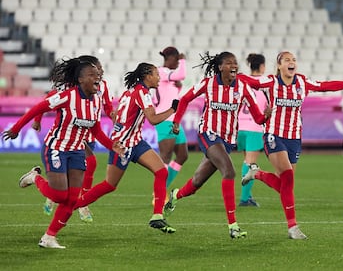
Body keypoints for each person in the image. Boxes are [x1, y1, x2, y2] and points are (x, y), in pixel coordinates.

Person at [239, 51, 343, 239]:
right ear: (279, 66)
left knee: (286, 185)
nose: (291, 63)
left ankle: (256, 173)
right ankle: (292, 227)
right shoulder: (270, 82)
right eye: (287, 60)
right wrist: (229, 73)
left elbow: (327, 86)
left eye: (294, 60)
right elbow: (248, 80)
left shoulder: (301, 82)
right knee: (288, 177)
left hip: (294, 138)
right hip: (273, 134)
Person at [2, 57, 125, 249]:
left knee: (72, 199)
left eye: (98, 75)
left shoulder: (96, 100)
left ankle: (49, 237)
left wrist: (112, 146)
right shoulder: (67, 96)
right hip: (56, 148)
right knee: (60, 196)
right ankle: (35, 178)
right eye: (92, 74)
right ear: (81, 79)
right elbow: (38, 107)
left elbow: (96, 131)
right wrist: (17, 128)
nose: (97, 78)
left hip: (77, 151)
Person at [163, 51, 269, 239]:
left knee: (197, 182)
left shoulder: (243, 87)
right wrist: (177, 121)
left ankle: (175, 195)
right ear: (220, 67)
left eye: (235, 63)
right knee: (229, 171)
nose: (233, 65)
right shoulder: (209, 83)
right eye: (229, 63)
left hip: (227, 141)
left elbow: (258, 117)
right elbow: (186, 98)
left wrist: (267, 115)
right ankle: (233, 225)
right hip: (208, 134)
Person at [74, 62, 179, 234]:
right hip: (122, 145)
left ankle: (157, 216)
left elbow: (119, 115)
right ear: (147, 76)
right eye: (156, 74)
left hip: (136, 142)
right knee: (109, 185)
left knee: (161, 172)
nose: (158, 77)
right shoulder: (142, 93)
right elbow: (152, 119)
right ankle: (73, 206)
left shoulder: (131, 91)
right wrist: (173, 109)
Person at [33, 55, 116, 222]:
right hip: (75, 132)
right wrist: (37, 120)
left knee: (77, 171)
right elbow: (48, 99)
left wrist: (114, 115)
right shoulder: (73, 87)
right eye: (97, 68)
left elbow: (107, 106)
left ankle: (55, 194)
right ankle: (82, 203)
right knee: (91, 163)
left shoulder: (103, 86)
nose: (101, 71)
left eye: (100, 68)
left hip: (91, 129)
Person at [149, 47, 188, 203]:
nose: (178, 63)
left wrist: (177, 86)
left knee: (183, 155)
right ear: (170, 58)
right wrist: (184, 60)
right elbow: (182, 74)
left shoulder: (166, 76)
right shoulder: (162, 71)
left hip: (174, 120)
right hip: (164, 120)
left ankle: (162, 188)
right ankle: (158, 194)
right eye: (177, 60)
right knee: (165, 158)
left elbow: (171, 93)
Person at [237, 53, 267, 207]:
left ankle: (247, 195)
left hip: (239, 127)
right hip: (254, 127)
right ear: (262, 66)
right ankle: (244, 198)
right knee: (251, 163)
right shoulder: (266, 83)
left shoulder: (243, 81)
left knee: (246, 161)